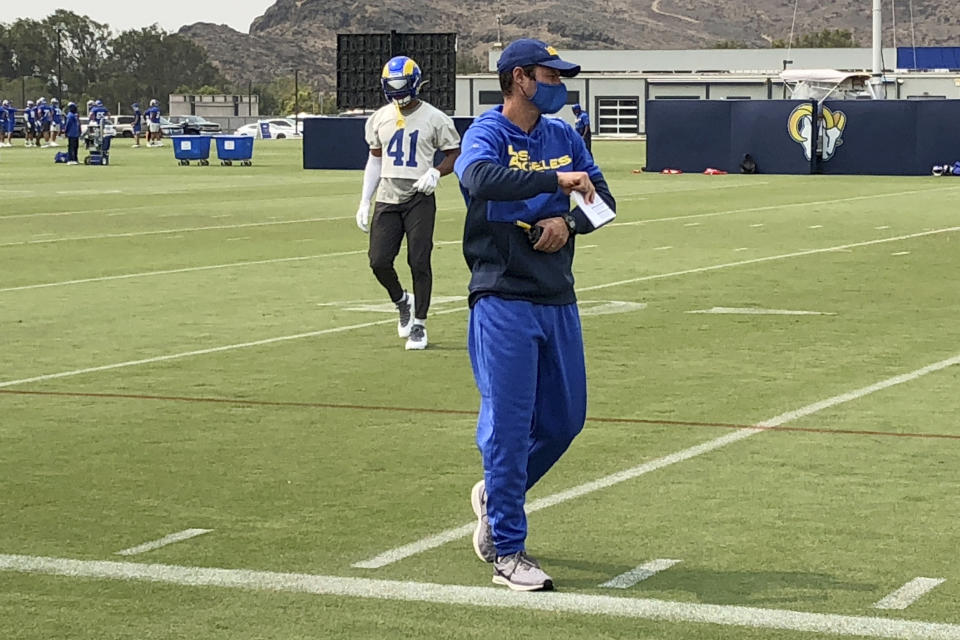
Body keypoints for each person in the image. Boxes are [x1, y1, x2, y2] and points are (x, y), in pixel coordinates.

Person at [453, 38, 616, 591]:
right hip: (501, 294)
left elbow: (605, 199)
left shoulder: (565, 134)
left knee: (566, 419)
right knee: (509, 424)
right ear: (520, 78)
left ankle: (496, 494)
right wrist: (554, 182)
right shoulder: (489, 133)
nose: (559, 85)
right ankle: (507, 551)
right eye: (551, 76)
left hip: (557, 294)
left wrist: (569, 224)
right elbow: (477, 180)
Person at [355, 55, 461, 350]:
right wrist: (365, 200)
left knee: (419, 259)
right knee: (378, 261)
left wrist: (436, 172)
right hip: (387, 197)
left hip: (419, 197)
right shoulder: (379, 118)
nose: (398, 92)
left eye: (402, 86)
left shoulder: (436, 118)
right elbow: (374, 161)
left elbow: (455, 153)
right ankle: (402, 301)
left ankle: (420, 324)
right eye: (393, 86)